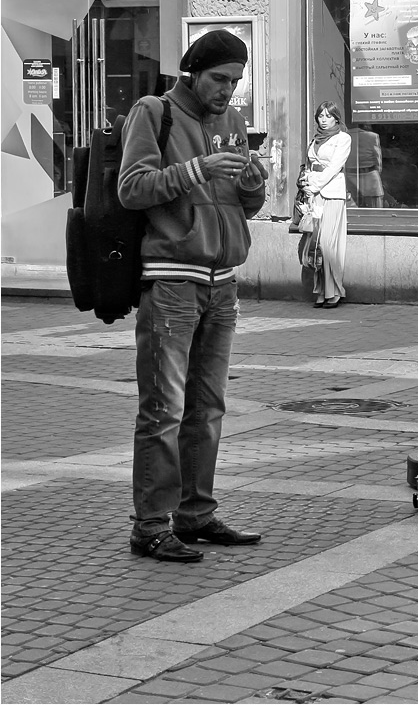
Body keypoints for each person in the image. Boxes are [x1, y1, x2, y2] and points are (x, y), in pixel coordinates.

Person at [118, 29, 267, 563]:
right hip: (172, 282)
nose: (229, 91)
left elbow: (243, 206)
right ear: (193, 73)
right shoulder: (152, 112)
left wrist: (253, 182)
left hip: (222, 283)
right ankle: (150, 525)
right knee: (164, 408)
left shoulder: (232, 123)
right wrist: (197, 168)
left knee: (207, 408)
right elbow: (132, 188)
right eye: (220, 80)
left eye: (236, 81)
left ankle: (196, 514)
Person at [303, 101, 351, 308]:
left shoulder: (343, 138)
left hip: (331, 194)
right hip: (314, 194)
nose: (323, 120)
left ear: (336, 118)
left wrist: (314, 185)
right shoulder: (315, 139)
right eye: (320, 116)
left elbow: (334, 167)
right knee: (316, 245)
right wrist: (306, 183)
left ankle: (336, 290)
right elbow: (309, 164)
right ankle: (321, 291)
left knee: (327, 245)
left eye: (328, 116)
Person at [346, 124, 385, 208]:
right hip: (370, 175)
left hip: (348, 175)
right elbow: (377, 158)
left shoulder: (343, 136)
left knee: (350, 208)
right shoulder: (372, 136)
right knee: (374, 208)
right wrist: (378, 172)